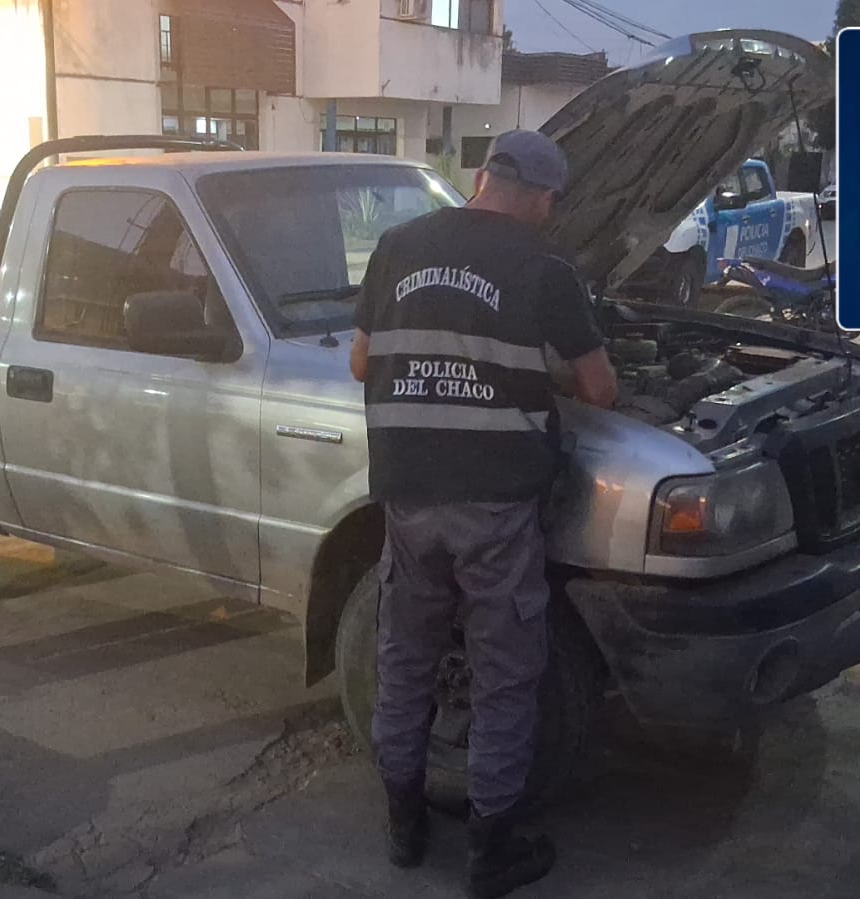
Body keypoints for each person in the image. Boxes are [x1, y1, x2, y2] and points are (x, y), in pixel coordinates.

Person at [348, 129, 619, 899]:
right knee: (504, 673)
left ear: (477, 177)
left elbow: (362, 362)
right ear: (540, 198)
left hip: (406, 492)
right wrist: (540, 365)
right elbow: (600, 392)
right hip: (494, 503)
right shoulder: (542, 268)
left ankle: (404, 826)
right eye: (548, 203)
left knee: (405, 658)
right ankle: (490, 848)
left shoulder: (396, 246)